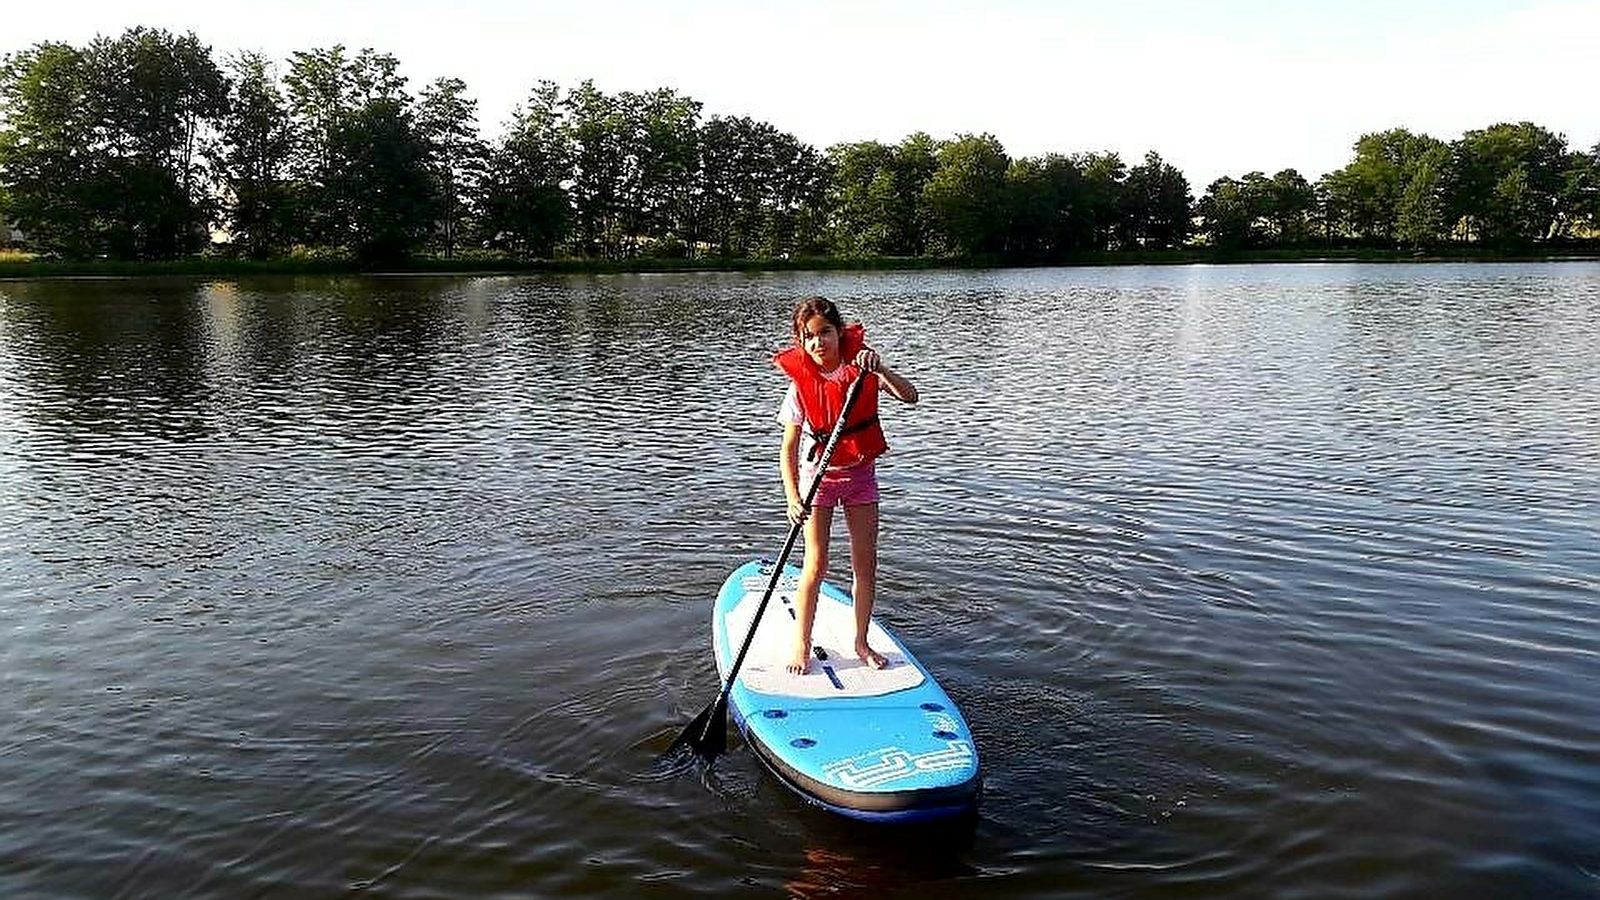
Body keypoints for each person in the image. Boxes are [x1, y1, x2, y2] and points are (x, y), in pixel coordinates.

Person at [774, 296, 918, 675]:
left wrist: (880, 367)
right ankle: (801, 643)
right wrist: (792, 497)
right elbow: (788, 448)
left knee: (865, 565)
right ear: (801, 342)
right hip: (818, 482)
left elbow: (910, 396)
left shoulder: (862, 371)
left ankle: (861, 641)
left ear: (839, 333)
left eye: (825, 333)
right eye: (809, 337)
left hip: (860, 478)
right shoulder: (799, 386)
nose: (818, 342)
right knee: (816, 565)